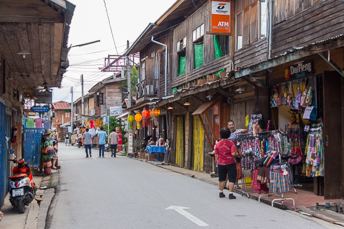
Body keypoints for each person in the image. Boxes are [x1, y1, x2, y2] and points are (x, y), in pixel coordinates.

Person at [214, 128, 238, 199]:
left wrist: (217, 162)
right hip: (230, 163)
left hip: (221, 164)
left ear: (220, 135)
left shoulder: (218, 144)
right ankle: (230, 194)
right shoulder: (231, 143)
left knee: (222, 179)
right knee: (231, 178)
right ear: (229, 135)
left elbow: (216, 155)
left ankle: (221, 193)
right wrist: (237, 154)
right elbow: (233, 153)